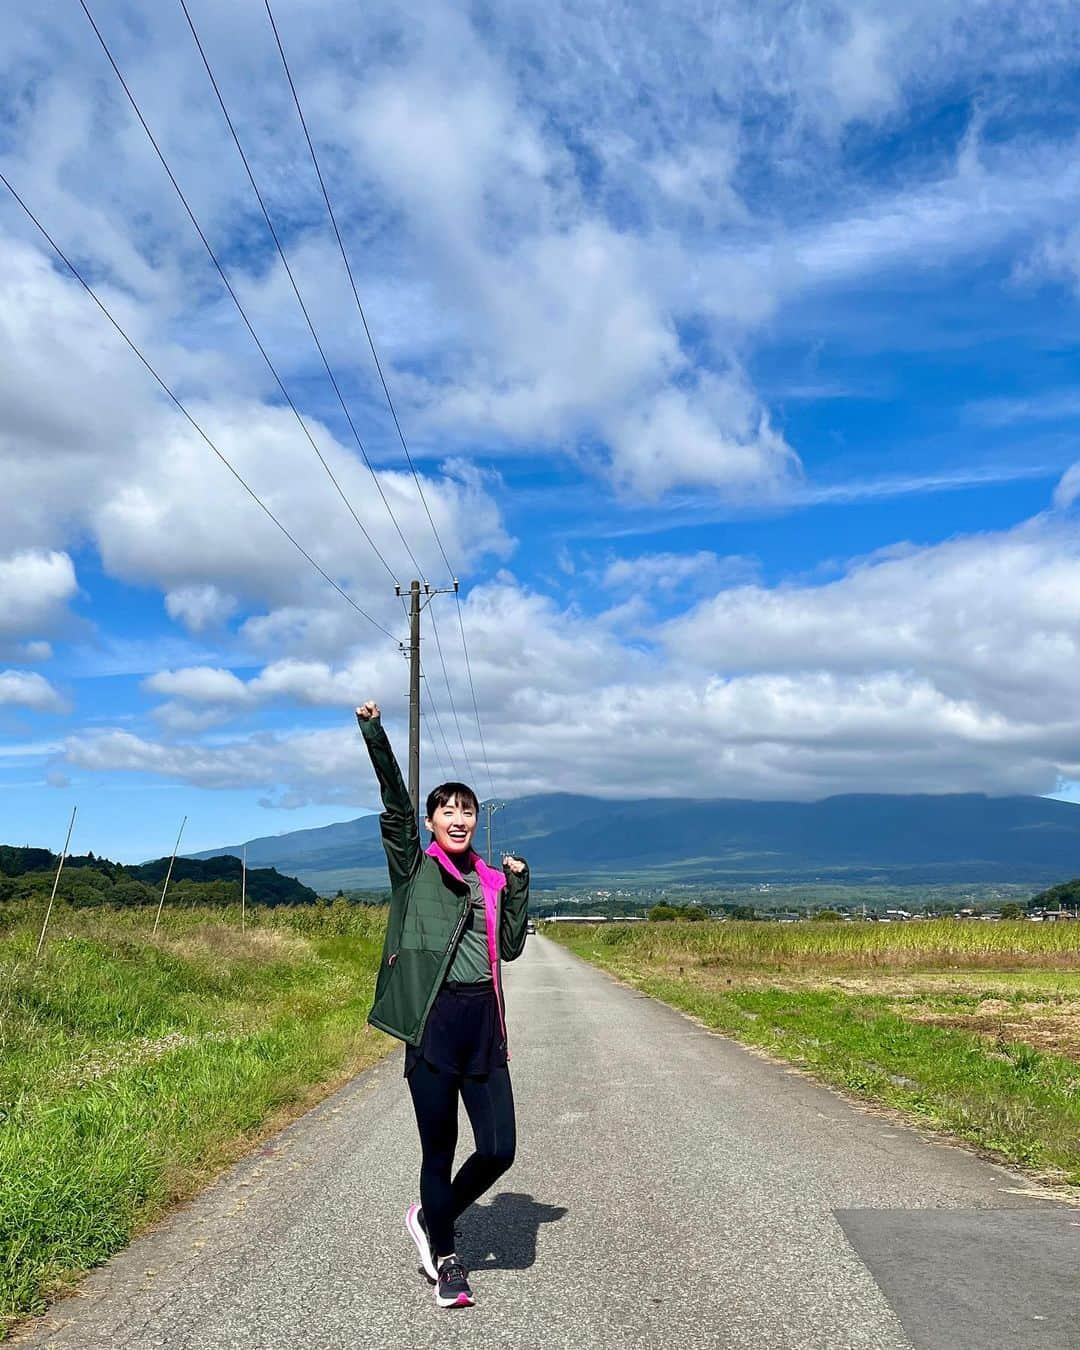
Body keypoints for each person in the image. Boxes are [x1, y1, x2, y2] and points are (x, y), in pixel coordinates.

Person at [355, 699, 529, 1310]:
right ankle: (446, 1257)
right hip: (432, 1025)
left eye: (467, 810)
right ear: (430, 823)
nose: (458, 818)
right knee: (440, 1148)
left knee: (500, 1148)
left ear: (477, 821)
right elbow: (394, 804)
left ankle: (431, 1216)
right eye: (447, 810)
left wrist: (519, 886)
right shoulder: (413, 869)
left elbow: (508, 948)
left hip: (484, 1026)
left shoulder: (490, 879)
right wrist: (374, 732)